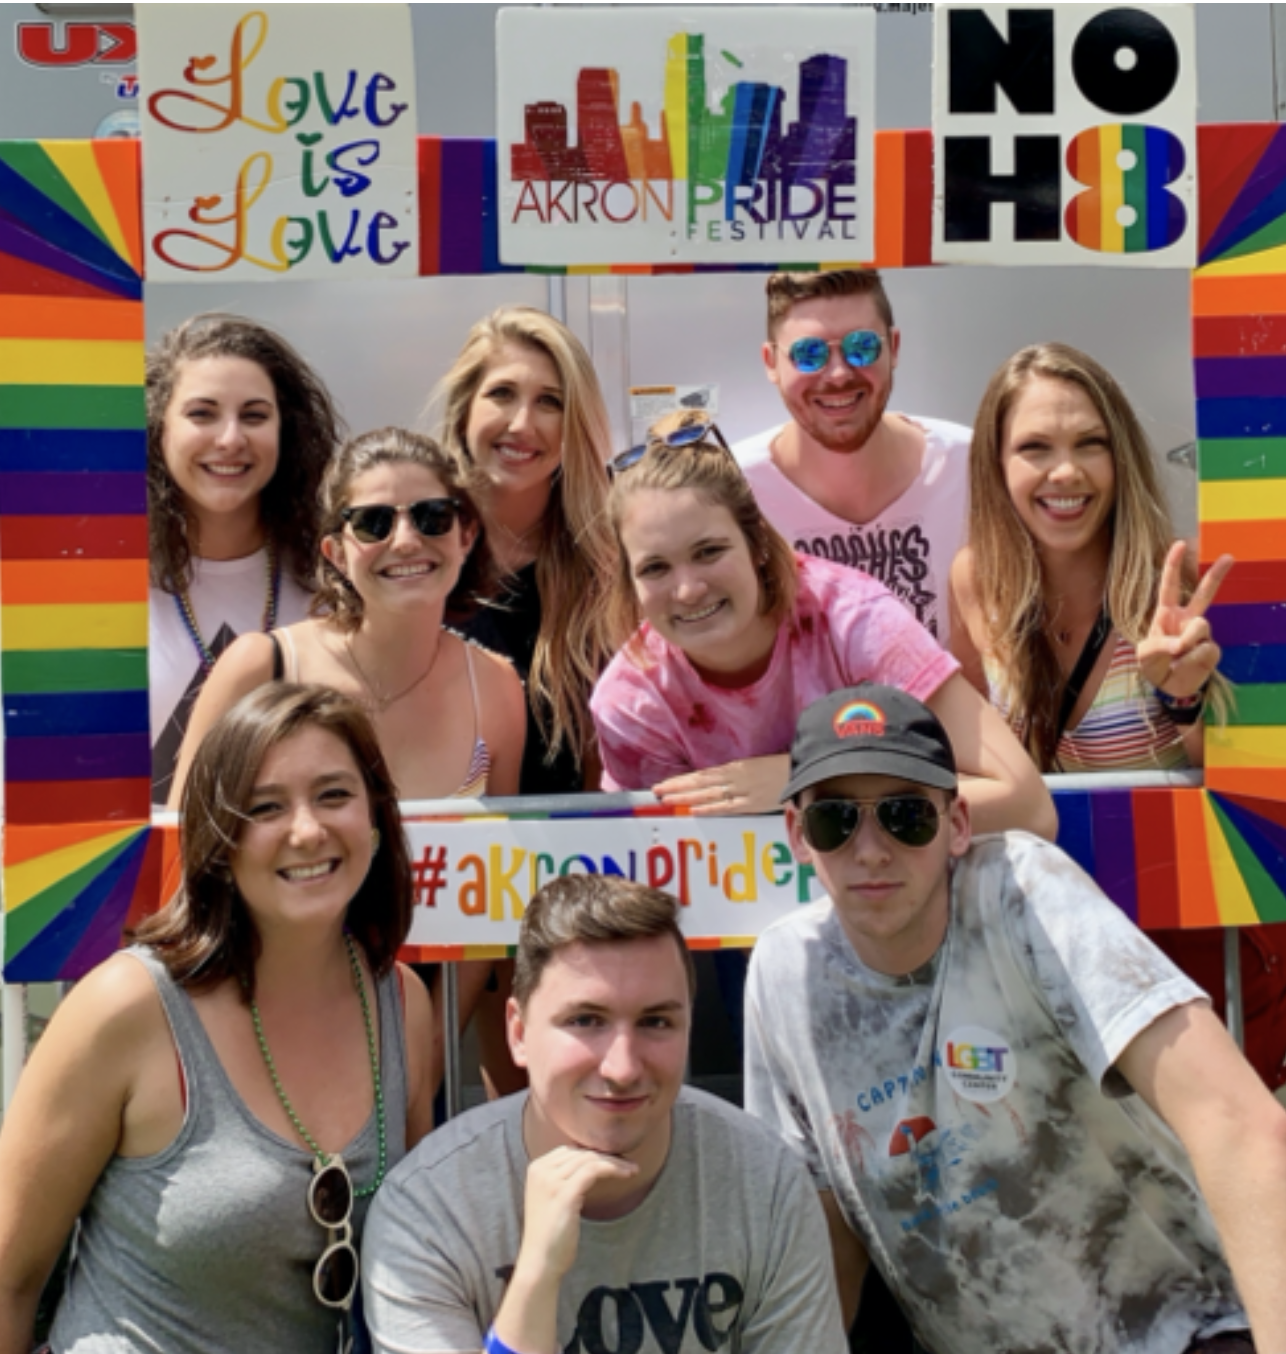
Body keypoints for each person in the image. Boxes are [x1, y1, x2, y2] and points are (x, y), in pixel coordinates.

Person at [745, 682, 1286, 1354]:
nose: (872, 849)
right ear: (797, 834)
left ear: (958, 824)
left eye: (906, 815)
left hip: (1189, 1333)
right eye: (836, 820)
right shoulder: (784, 973)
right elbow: (822, 1245)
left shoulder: (1024, 889)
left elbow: (1235, 1121)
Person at [0, 683, 435, 1353]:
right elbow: (9, 1279)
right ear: (221, 843)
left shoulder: (403, 1006)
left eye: (334, 795)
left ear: (375, 821)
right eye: (265, 807)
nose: (307, 830)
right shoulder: (127, 1006)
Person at [949, 342, 1286, 1091]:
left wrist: (1181, 696)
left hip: (1195, 945)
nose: (1065, 472)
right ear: (996, 464)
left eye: (1089, 444)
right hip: (1055, 949)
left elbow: (1248, 792)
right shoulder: (976, 582)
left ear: (1120, 456)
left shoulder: (1181, 583)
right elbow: (975, 757)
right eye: (1035, 447)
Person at [361, 874, 848, 1354]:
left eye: (656, 1021)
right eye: (585, 1021)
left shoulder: (766, 1183)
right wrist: (535, 1276)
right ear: (519, 1033)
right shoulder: (428, 1212)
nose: (623, 1068)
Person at [591, 411, 1056, 840]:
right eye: (655, 568)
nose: (688, 590)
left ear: (758, 544)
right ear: (629, 583)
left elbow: (1027, 805)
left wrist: (812, 779)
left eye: (709, 551)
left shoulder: (857, 623)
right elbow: (659, 863)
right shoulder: (631, 705)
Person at [169, 426, 526, 808]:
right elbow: (180, 838)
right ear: (336, 553)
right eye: (373, 522)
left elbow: (502, 844)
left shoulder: (496, 687)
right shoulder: (259, 669)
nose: (406, 541)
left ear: (466, 536)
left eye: (432, 516)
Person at [148, 312, 343, 803]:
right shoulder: (90, 586)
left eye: (254, 416)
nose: (231, 439)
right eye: (202, 414)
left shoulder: (334, 578)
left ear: (286, 431)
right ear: (158, 428)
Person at [435, 306, 618, 796]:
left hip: (574, 836)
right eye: (502, 394)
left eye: (550, 402)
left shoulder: (611, 561)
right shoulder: (412, 543)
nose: (521, 424)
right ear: (465, 408)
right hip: (432, 838)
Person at [733, 269, 972, 644]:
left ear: (894, 348)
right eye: (808, 354)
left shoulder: (970, 467)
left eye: (862, 346)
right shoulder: (730, 492)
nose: (839, 374)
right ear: (771, 363)